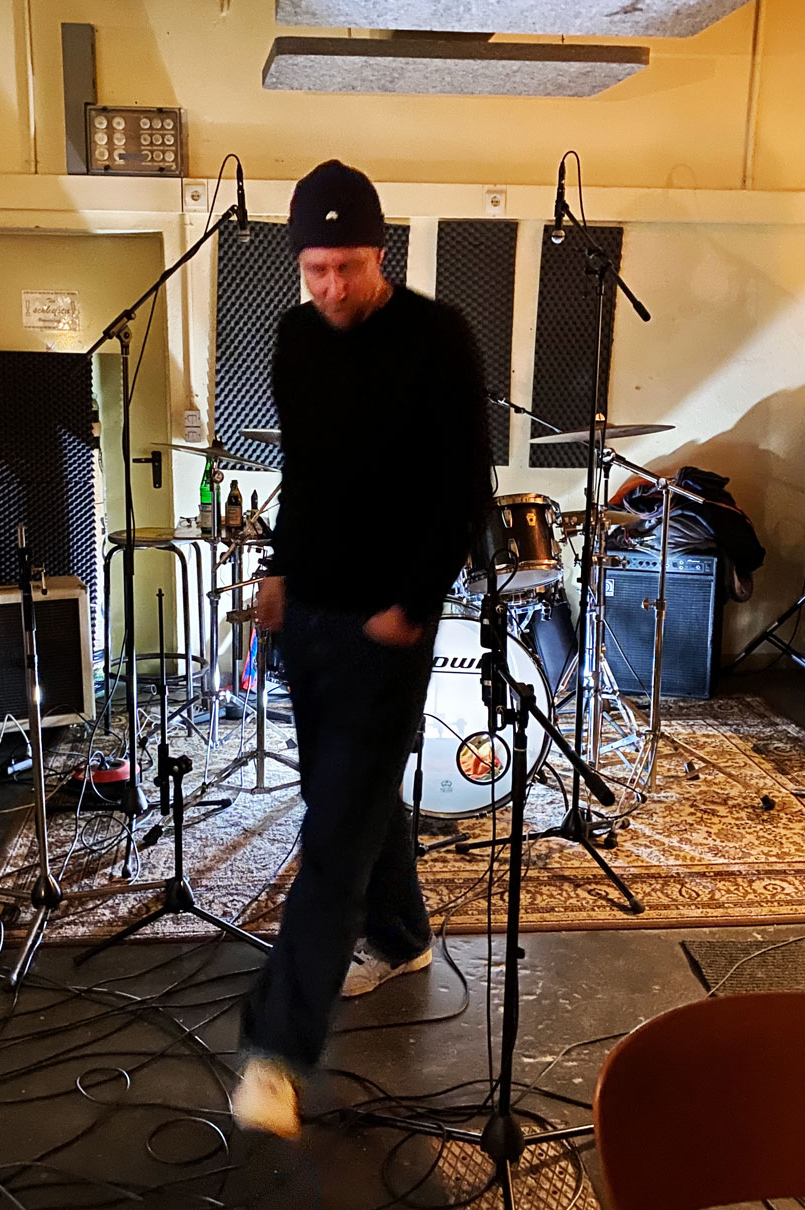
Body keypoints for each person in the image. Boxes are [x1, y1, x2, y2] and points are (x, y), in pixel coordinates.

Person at [232, 160, 493, 1140]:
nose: (331, 287)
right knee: (350, 792)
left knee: (332, 829)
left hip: (387, 623)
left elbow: (462, 484)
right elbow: (306, 471)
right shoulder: (295, 337)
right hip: (311, 615)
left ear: (379, 254)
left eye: (347, 266)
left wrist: (412, 605)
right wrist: (276, 568)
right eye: (315, 269)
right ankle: (401, 933)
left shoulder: (437, 335)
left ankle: (274, 1049)